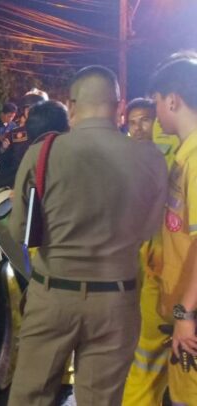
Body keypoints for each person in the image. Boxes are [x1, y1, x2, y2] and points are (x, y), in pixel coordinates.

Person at [7, 65, 167, 405]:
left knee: (30, 396)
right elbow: (149, 230)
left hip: (53, 294)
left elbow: (20, 230)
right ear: (120, 107)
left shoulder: (43, 153)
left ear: (72, 105)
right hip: (116, 299)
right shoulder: (151, 159)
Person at [122, 98, 181, 406]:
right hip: (146, 266)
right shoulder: (123, 158)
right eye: (132, 122)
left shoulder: (176, 153)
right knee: (147, 349)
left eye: (145, 119)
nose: (139, 128)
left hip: (170, 270)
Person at [146, 56, 197, 404]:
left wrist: (185, 315)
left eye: (156, 103)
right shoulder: (183, 157)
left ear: (173, 100)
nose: (156, 113)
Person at [0, 100, 69, 196]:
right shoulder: (15, 132)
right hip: (18, 171)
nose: (31, 110)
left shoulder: (59, 132)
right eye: (28, 108)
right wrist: (4, 149)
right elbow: (5, 158)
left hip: (47, 172)